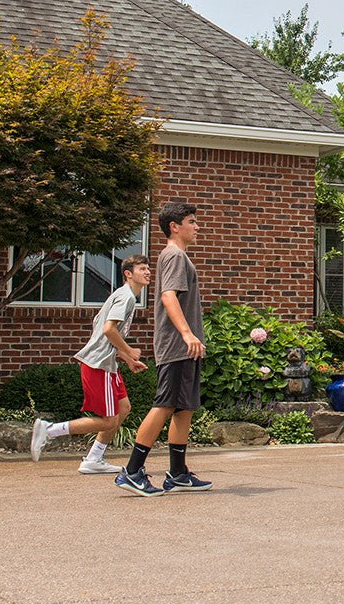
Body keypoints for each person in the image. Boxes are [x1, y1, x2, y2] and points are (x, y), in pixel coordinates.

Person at [115, 201, 212, 496]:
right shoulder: (174, 256)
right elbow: (169, 296)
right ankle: (132, 471)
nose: (197, 227)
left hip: (186, 348)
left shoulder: (179, 256)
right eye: (192, 222)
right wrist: (187, 334)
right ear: (175, 226)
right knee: (165, 405)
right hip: (177, 346)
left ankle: (178, 473)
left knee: (184, 409)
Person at [30, 254, 152, 473]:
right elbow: (108, 330)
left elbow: (100, 327)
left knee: (123, 409)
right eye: (142, 268)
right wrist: (129, 350)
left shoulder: (123, 296)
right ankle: (49, 430)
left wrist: (126, 358)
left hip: (107, 365)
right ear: (128, 274)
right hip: (98, 366)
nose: (147, 272)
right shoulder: (126, 297)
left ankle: (93, 459)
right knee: (107, 421)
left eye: (148, 268)